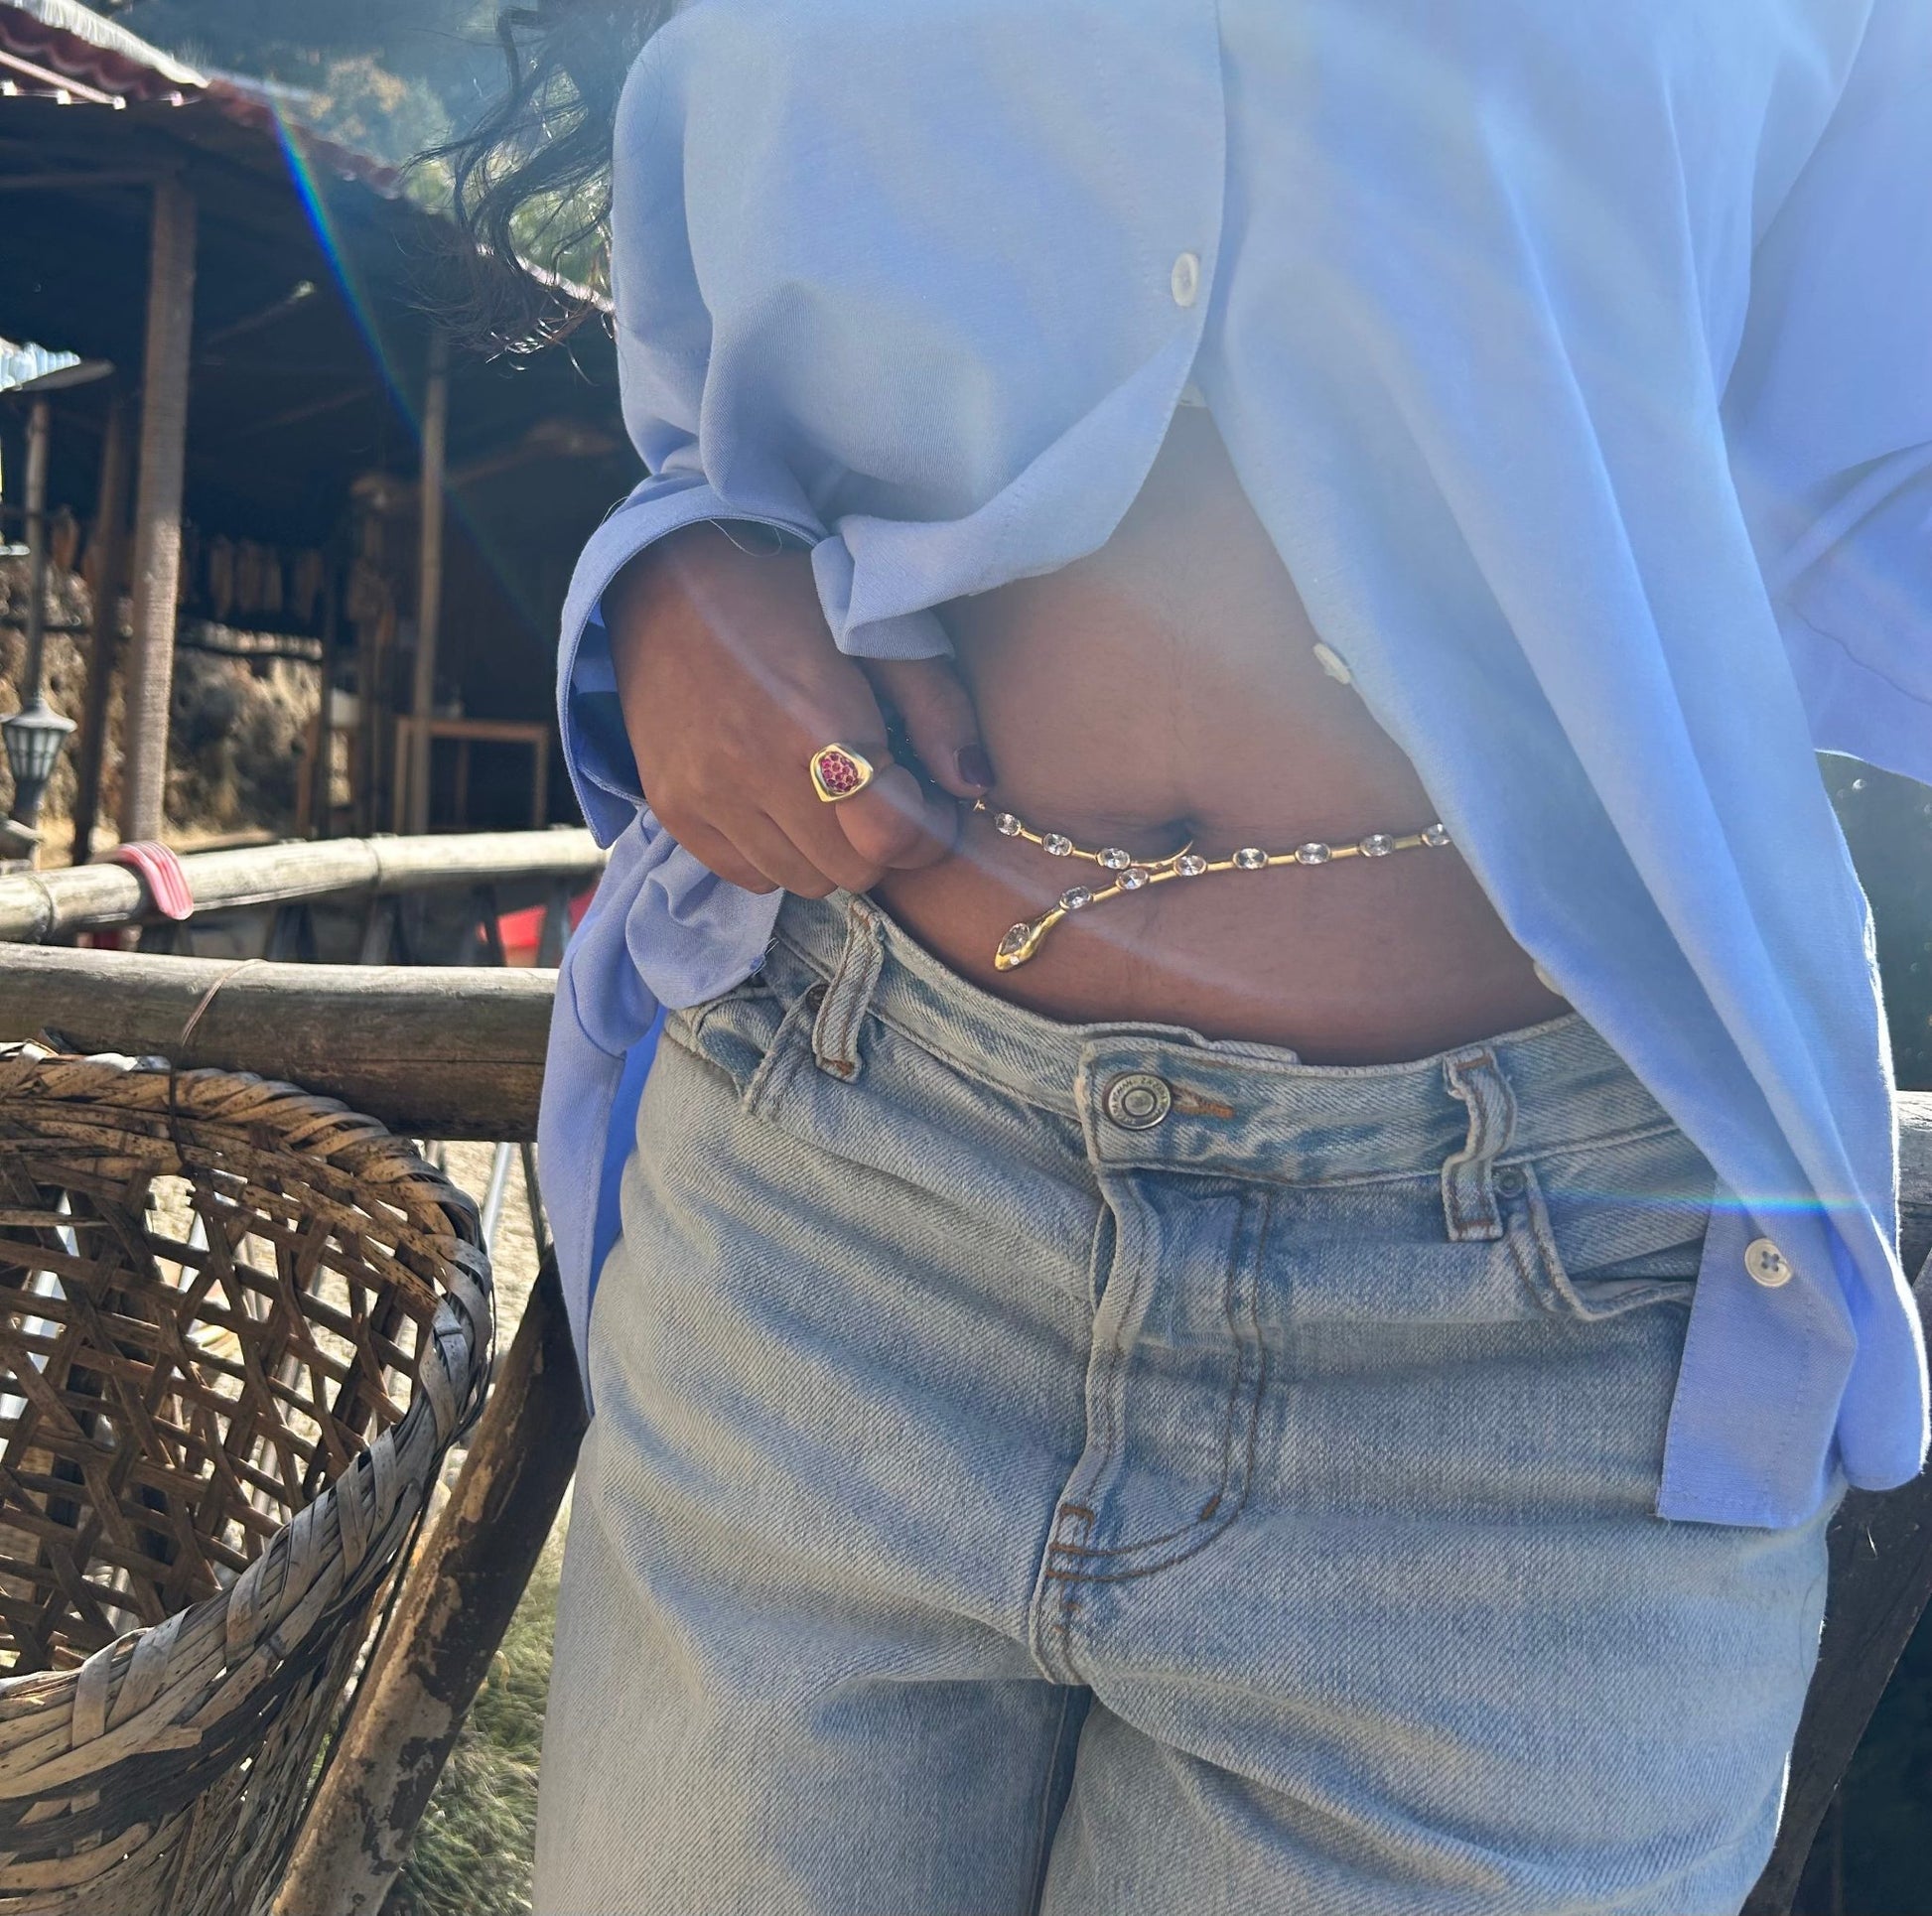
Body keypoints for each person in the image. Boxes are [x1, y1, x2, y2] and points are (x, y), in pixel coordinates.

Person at [447, 3, 1931, 1910]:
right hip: (839, 1195)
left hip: (1530, 1359)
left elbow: (1869, 471)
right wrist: (675, 567)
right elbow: (727, 342)